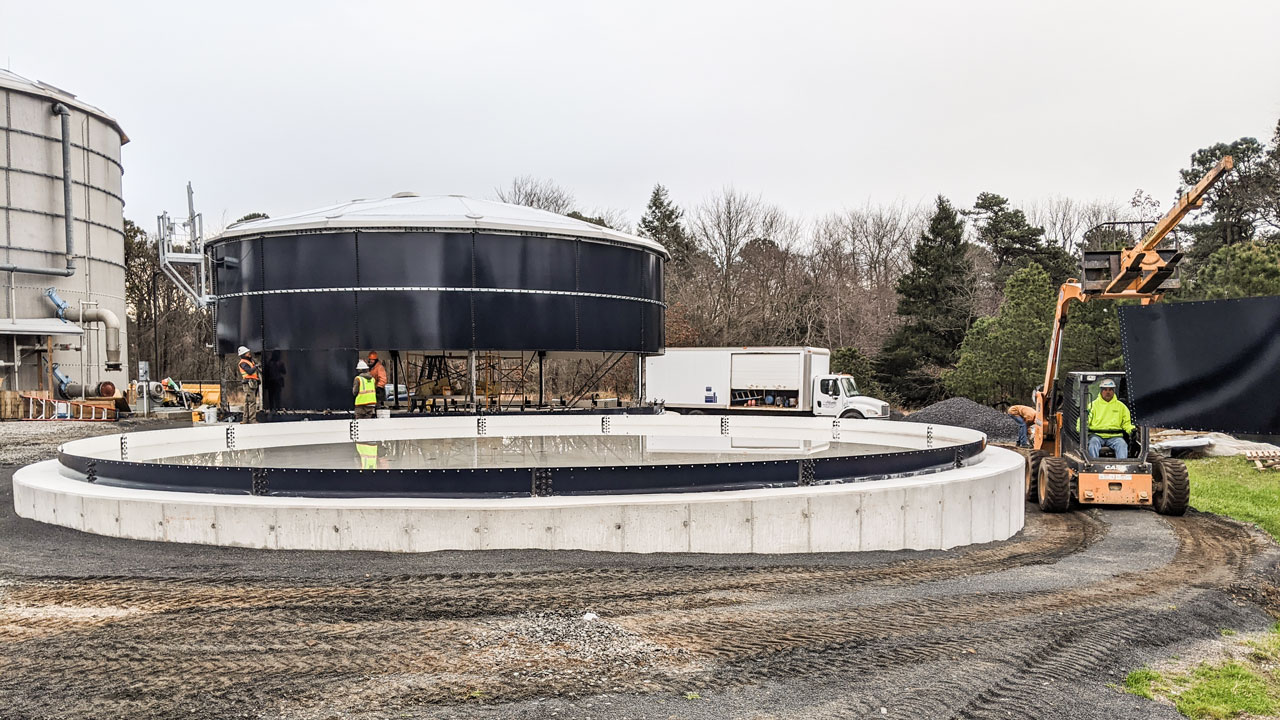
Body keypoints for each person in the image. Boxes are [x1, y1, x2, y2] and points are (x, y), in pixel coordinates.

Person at [1087, 378, 1136, 459]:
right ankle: (1093, 464)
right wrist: (1081, 428)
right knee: (1093, 443)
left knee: (1122, 444)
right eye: (1105, 389)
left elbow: (1126, 423)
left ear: (1114, 391)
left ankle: (1122, 467)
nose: (1108, 392)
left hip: (1115, 436)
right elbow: (1086, 420)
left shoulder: (1121, 407)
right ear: (1101, 391)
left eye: (1110, 389)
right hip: (1097, 436)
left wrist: (1131, 430)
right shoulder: (1092, 406)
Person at [237, 346, 261, 424]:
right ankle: (252, 419)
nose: (249, 354)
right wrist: (256, 366)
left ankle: (245, 419)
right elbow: (250, 371)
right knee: (252, 402)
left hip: (252, 383)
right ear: (244, 354)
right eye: (247, 353)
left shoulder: (250, 361)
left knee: (248, 402)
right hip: (248, 384)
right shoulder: (243, 363)